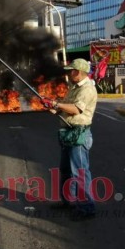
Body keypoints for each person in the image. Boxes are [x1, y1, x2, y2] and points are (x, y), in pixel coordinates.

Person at [41, 58, 98, 220]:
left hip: (78, 133)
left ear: (78, 72)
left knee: (80, 172)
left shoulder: (87, 89)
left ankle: (87, 207)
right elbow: (65, 107)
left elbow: (76, 109)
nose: (69, 73)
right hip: (68, 132)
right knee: (66, 171)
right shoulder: (74, 88)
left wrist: (56, 104)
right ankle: (68, 200)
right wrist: (53, 107)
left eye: (71, 70)